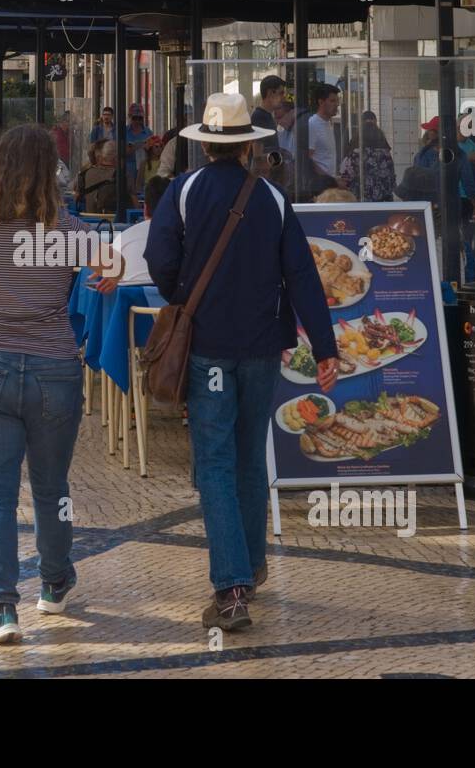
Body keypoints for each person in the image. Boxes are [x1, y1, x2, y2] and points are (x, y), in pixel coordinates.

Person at [144, 92, 338, 632]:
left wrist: (182, 295)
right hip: (261, 348)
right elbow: (302, 275)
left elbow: (159, 260)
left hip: (206, 345)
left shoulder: (181, 192)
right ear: (247, 147)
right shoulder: (273, 199)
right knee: (251, 457)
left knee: (214, 464)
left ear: (204, 143)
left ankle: (230, 591)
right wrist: (325, 349)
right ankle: (251, 566)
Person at [0, 124, 115, 645]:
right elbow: (113, 268)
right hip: (54, 368)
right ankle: (56, 581)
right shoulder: (69, 230)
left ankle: (1, 609)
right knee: (51, 488)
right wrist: (102, 273)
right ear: (50, 172)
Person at [111, 174, 170, 285]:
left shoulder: (123, 238)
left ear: (145, 208)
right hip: (177, 301)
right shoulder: (188, 241)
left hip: (129, 301)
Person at [338, 114, 396, 202]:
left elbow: (345, 178)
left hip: (360, 202)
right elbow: (392, 179)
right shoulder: (386, 155)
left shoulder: (355, 155)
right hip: (383, 203)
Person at [75, 140, 129, 214]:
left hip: (88, 220)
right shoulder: (122, 175)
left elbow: (76, 199)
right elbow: (135, 206)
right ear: (116, 157)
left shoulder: (84, 174)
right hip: (114, 221)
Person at [305, 84, 341, 182]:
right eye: (332, 101)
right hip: (319, 183)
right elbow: (308, 159)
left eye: (337, 101)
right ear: (321, 102)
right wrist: (328, 179)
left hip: (329, 181)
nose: (337, 104)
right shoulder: (312, 124)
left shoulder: (329, 122)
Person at [123, 103, 153, 196]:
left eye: (140, 118)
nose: (137, 121)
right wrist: (133, 148)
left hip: (144, 166)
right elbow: (119, 152)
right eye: (134, 118)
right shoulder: (123, 131)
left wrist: (149, 148)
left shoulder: (148, 132)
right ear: (129, 117)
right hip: (128, 167)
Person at [252, 75, 288, 146]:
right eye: (281, 93)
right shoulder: (259, 117)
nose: (284, 97)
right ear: (270, 93)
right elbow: (257, 154)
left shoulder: (266, 115)